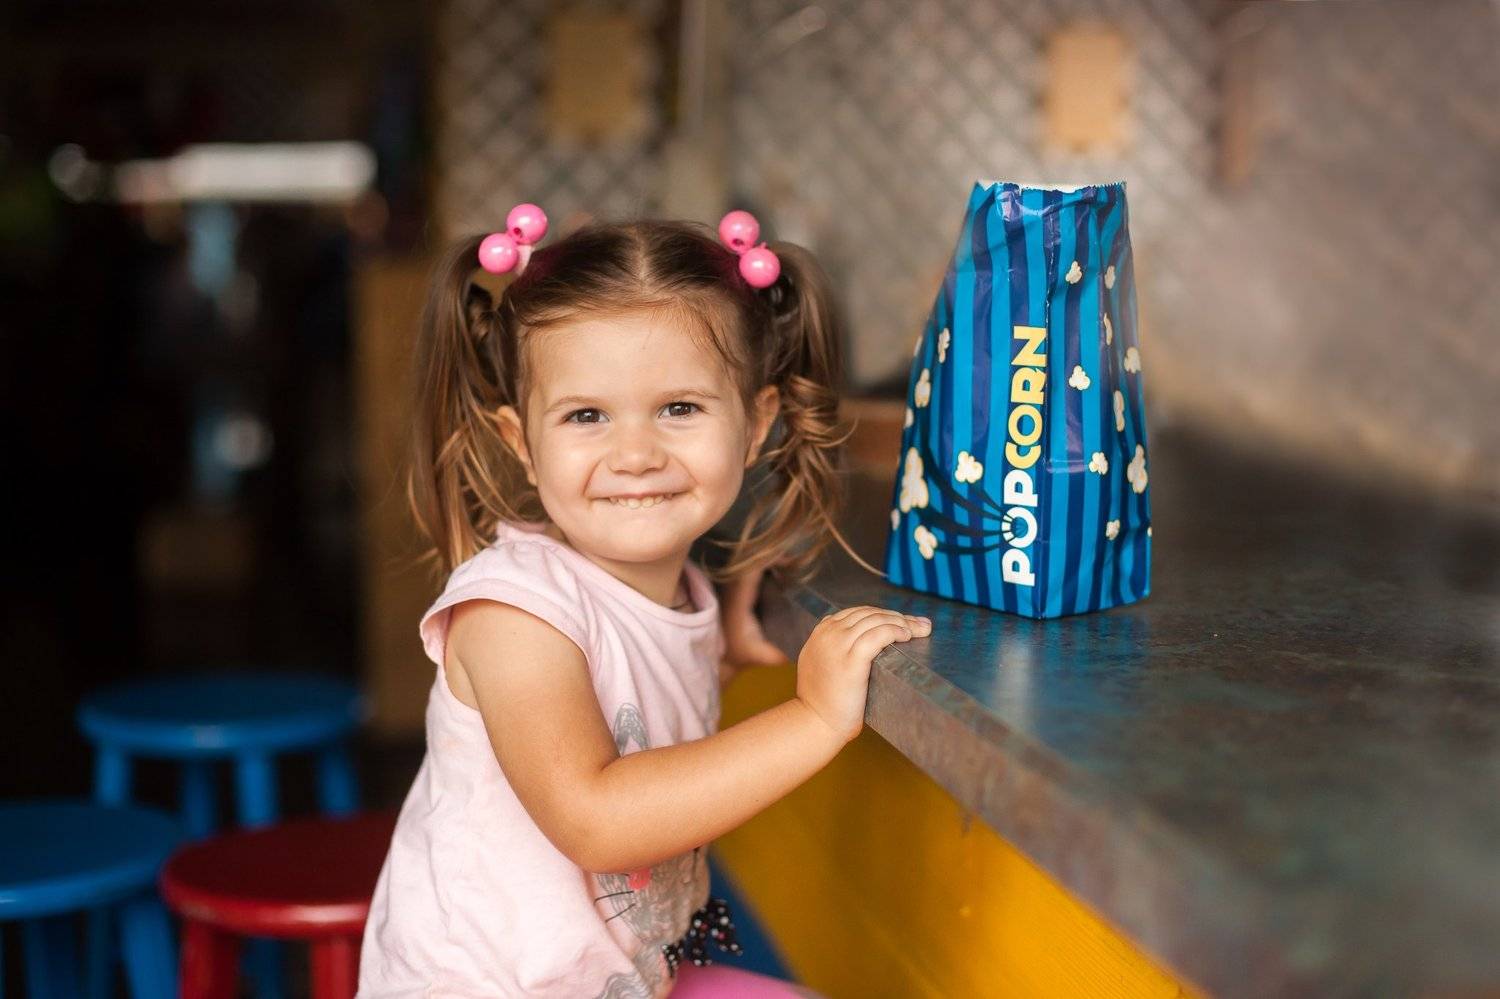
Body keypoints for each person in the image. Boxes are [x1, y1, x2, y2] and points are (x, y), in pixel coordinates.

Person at [357, 205, 932, 998]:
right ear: (522, 442)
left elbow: (638, 707)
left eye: (679, 408)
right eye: (586, 415)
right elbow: (596, 818)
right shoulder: (513, 615)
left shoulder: (680, 590)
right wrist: (812, 718)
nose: (634, 453)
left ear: (756, 422)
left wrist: (723, 652)